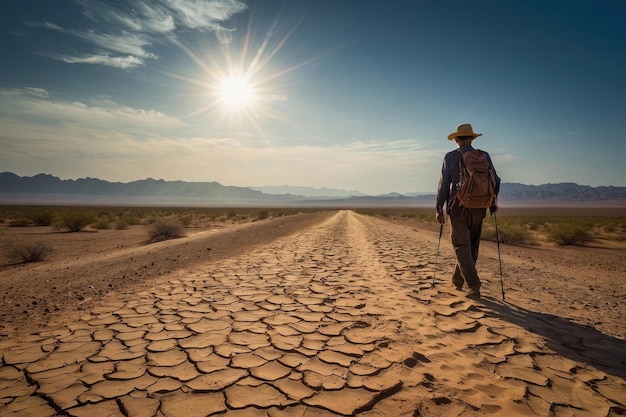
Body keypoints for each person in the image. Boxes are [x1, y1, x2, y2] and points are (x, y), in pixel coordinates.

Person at [436, 123, 500, 299]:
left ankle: (474, 285)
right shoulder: (484, 156)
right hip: (480, 206)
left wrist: (439, 208)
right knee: (471, 247)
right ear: (472, 138)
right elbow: (496, 180)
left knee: (461, 246)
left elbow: (444, 185)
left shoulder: (450, 157)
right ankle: (458, 280)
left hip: (457, 207)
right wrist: (492, 202)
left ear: (456, 140)